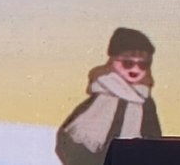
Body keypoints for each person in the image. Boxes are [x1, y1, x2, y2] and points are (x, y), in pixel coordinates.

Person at [56, 28, 162, 165]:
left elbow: (154, 141)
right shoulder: (102, 93)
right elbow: (68, 137)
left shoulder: (144, 101)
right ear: (113, 61)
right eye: (128, 63)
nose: (135, 69)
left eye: (142, 64)